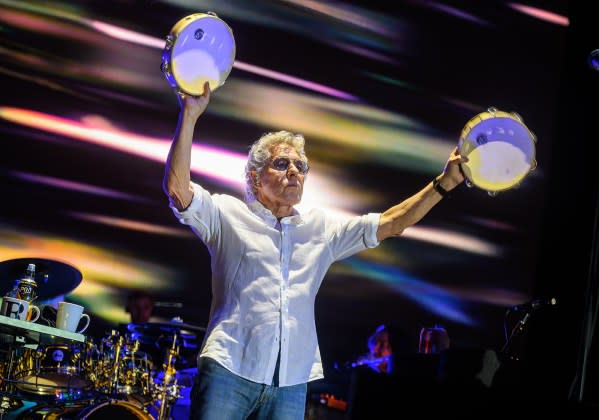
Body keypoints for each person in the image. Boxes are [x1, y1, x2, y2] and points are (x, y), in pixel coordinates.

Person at [163, 81, 467, 420]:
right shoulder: (228, 214)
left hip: (292, 380)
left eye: (300, 166)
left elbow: (392, 223)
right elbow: (177, 189)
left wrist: (444, 184)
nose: (294, 171)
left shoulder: (320, 229)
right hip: (229, 368)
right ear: (254, 176)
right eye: (281, 164)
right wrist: (189, 115)